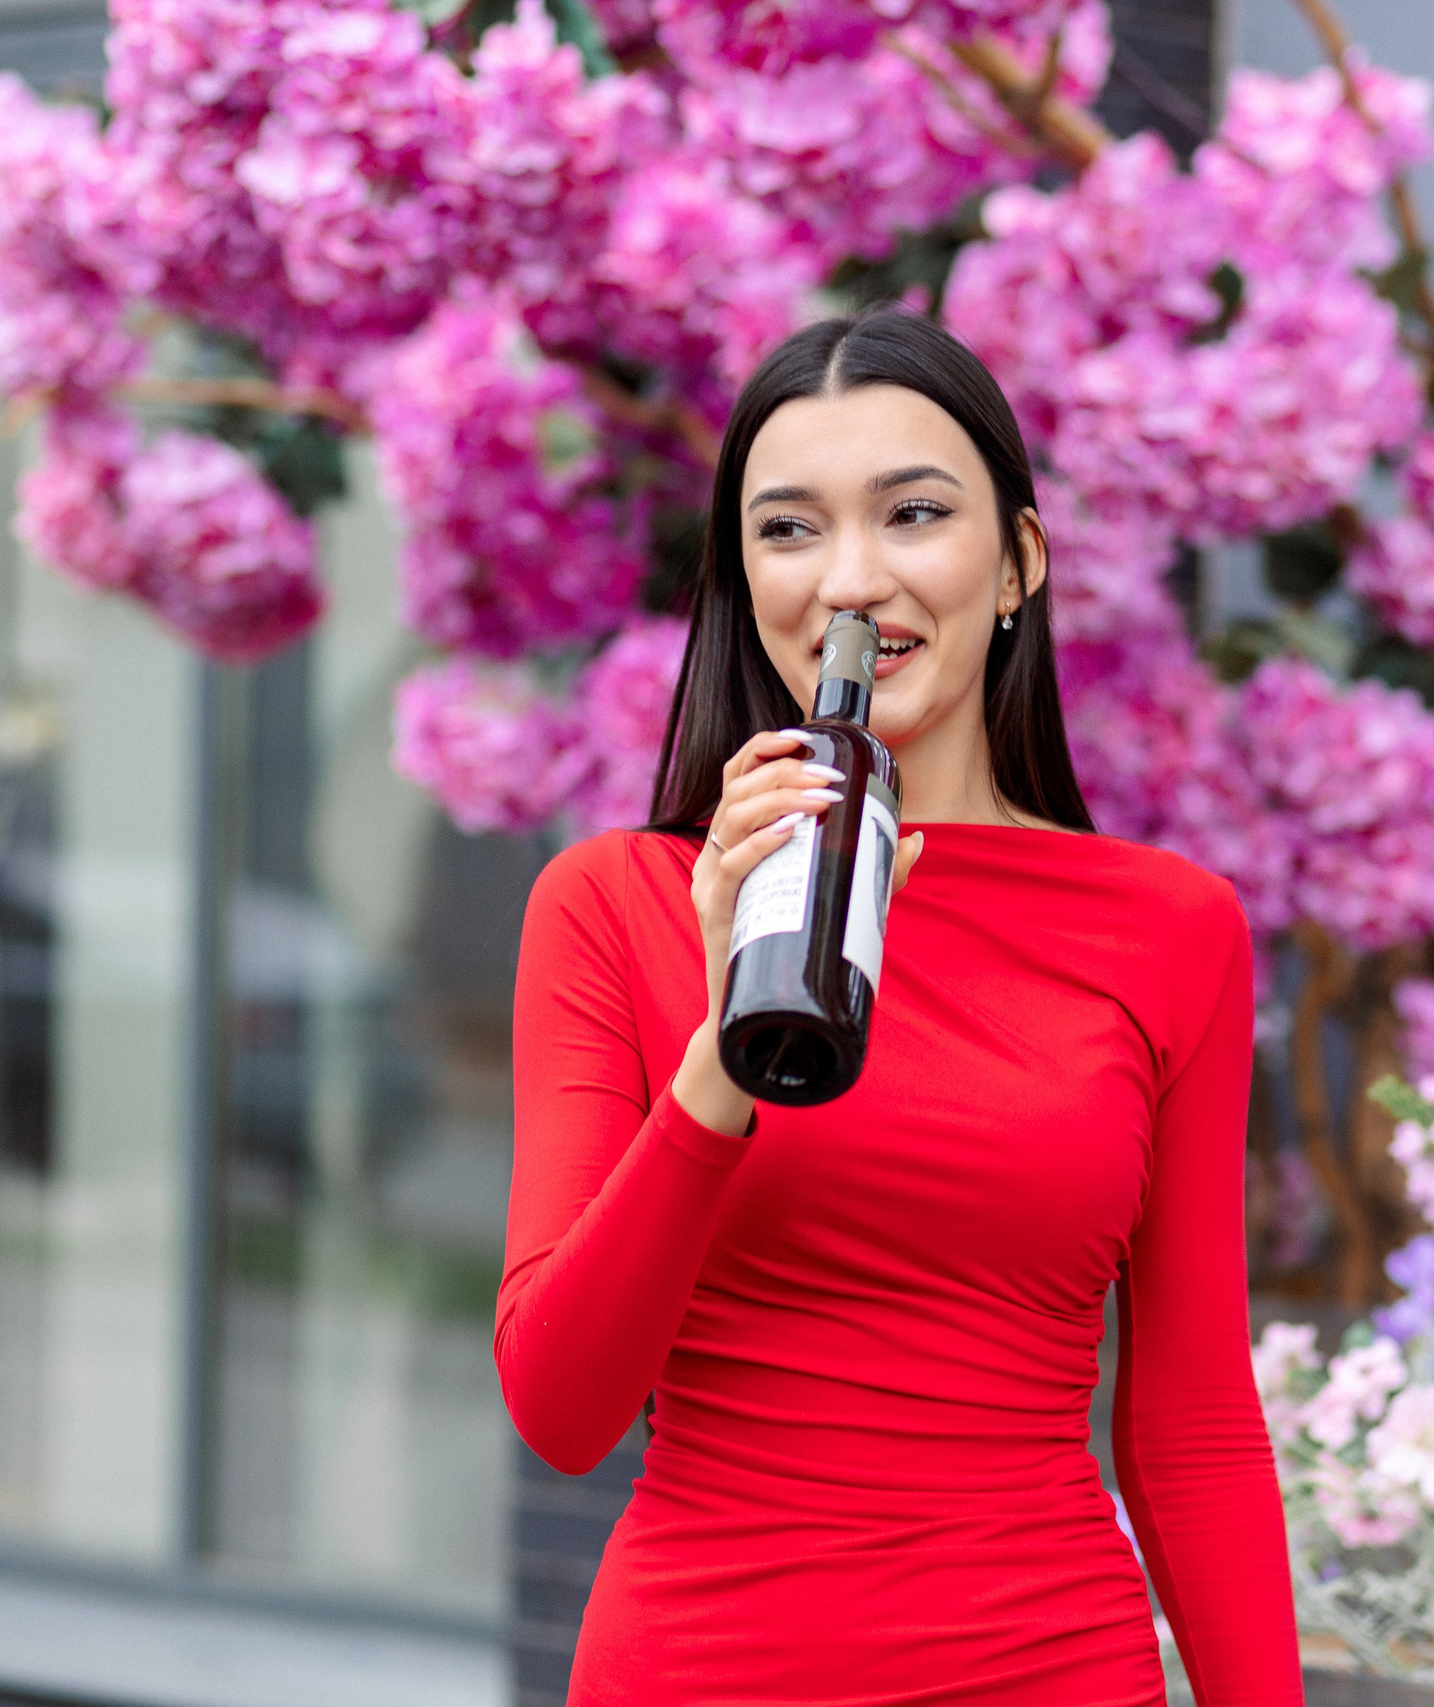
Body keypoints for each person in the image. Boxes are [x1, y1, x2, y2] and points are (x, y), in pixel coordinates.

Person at [496, 311, 1300, 1706]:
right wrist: (723, 1049)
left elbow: (1192, 1429)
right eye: (790, 530)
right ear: (744, 579)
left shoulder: (1173, 931)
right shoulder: (613, 906)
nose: (851, 583)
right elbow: (564, 1410)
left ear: (1018, 562)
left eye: (914, 514)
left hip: (1050, 1670)